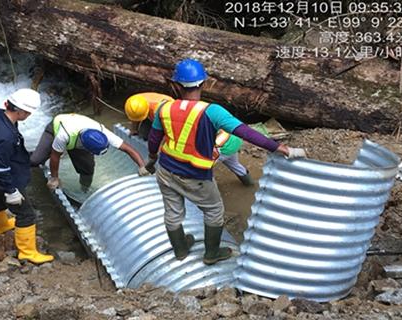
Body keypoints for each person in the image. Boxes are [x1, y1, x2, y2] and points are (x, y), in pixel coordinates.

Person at [145, 59, 306, 265]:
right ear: (204, 83)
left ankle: (181, 250)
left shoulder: (164, 109)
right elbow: (245, 132)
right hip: (195, 175)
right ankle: (211, 253)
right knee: (213, 211)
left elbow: (153, 139)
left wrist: (151, 159)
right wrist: (280, 148)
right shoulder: (212, 111)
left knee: (173, 211)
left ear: (175, 85)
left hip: (166, 169)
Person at [0, 88, 54, 264]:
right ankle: (27, 252)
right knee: (27, 214)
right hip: (7, 176)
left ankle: (0, 227)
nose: (28, 115)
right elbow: (1, 168)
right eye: (28, 112)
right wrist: (11, 191)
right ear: (21, 112)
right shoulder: (7, 137)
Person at [126, 93, 254, 186]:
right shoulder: (204, 115)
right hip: (235, 141)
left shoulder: (163, 113)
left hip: (223, 145)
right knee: (235, 165)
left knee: (198, 174)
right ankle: (249, 184)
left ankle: (206, 200)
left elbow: (169, 136)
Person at [30, 113, 149, 191]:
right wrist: (54, 178)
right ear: (86, 147)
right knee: (36, 160)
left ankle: (84, 190)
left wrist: (142, 166)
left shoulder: (102, 133)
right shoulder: (63, 135)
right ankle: (30, 155)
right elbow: (55, 156)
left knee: (88, 169)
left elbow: (128, 149)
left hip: (77, 133)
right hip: (56, 128)